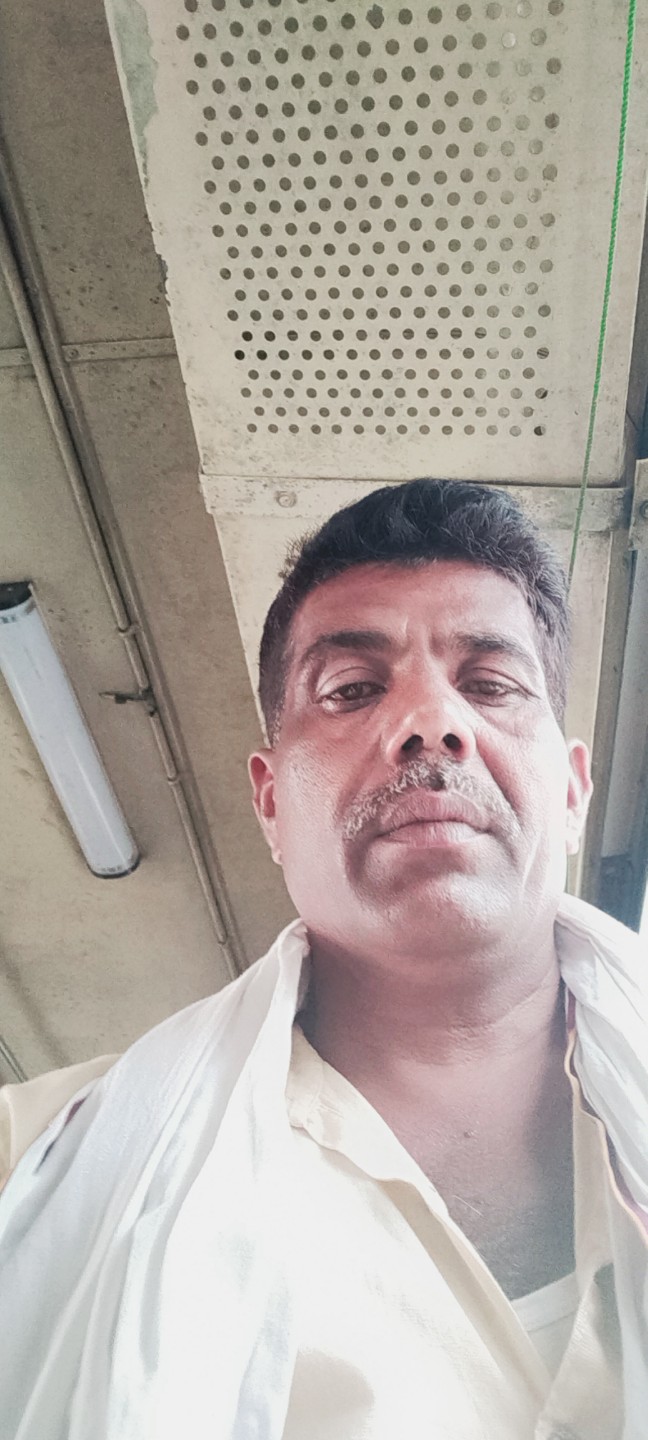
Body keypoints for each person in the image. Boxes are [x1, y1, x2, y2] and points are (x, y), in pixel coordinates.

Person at [0, 478, 646, 1440]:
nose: (432, 722)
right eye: (351, 689)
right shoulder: (32, 1167)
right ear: (270, 804)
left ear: (573, 790)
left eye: (490, 685)